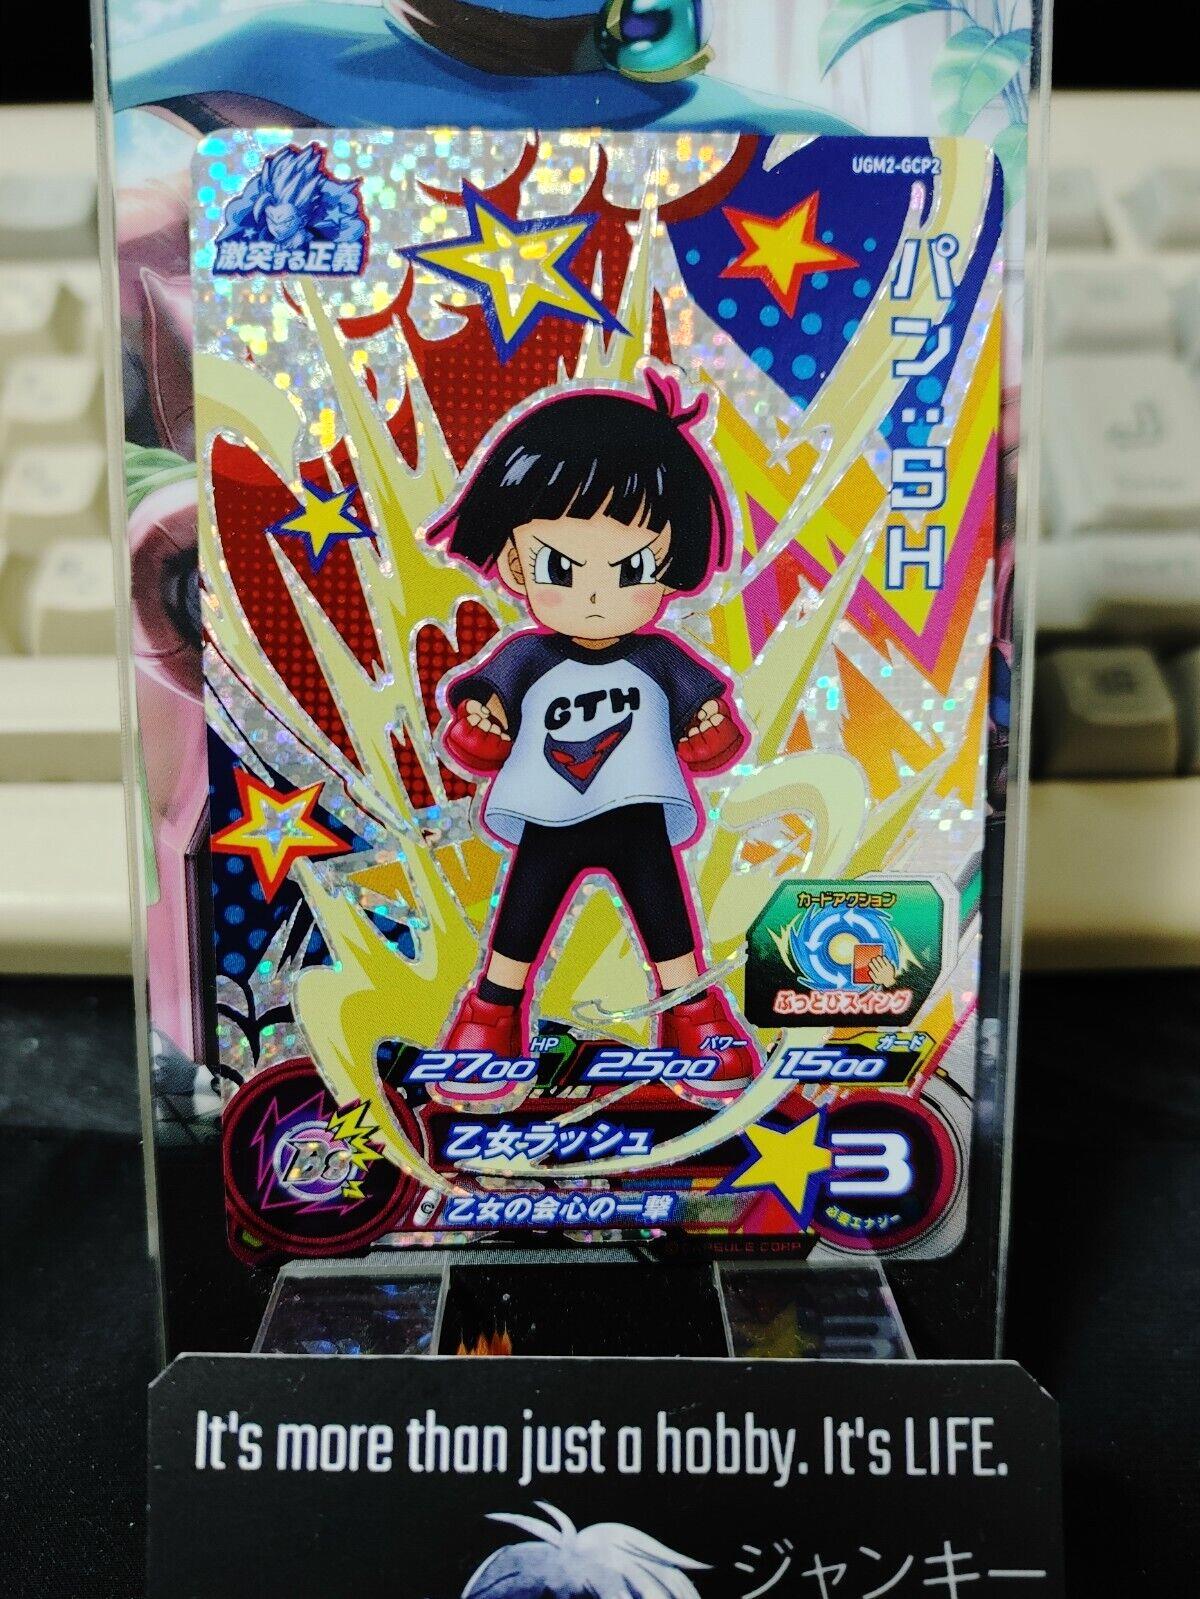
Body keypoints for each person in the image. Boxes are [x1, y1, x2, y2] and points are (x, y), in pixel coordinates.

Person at [433, 370, 759, 1103]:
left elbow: (709, 730)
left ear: (669, 570)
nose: (593, 595)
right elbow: (480, 721)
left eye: (631, 569)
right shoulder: (527, 656)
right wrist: (482, 726)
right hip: (549, 815)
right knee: (521, 918)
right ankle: (490, 1016)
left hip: (638, 814)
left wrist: (708, 731)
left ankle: (693, 1014)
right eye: (560, 566)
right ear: (514, 563)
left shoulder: (659, 658)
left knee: (666, 917)